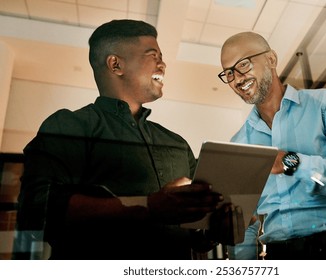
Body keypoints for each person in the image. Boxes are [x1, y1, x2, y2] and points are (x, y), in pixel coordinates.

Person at [15, 19, 233, 260]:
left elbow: (195, 238)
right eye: (153, 55)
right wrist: (148, 207)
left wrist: (215, 231)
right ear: (115, 64)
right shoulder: (70, 126)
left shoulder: (177, 144)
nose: (163, 64)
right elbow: (36, 213)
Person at [218, 31, 326, 260]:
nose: (236, 78)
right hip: (281, 256)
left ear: (271, 60)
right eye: (228, 73)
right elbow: (244, 222)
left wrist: (292, 163)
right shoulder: (239, 144)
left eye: (243, 65)